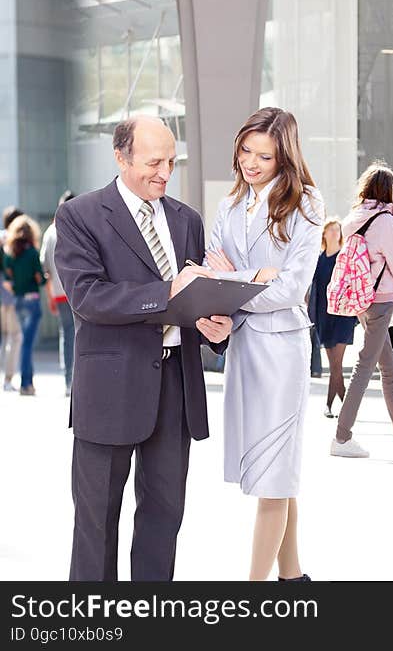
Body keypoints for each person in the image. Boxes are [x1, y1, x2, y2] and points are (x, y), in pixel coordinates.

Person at [55, 116, 232, 581]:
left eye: (172, 161)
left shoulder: (186, 219)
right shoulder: (80, 216)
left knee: (164, 519)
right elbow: (88, 297)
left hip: (175, 388)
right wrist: (168, 291)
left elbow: (194, 300)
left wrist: (215, 327)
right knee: (96, 526)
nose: (165, 172)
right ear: (121, 157)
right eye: (154, 162)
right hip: (110, 390)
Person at [205, 107, 322, 581]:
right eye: (246, 150)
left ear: (284, 158)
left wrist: (234, 282)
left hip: (282, 352)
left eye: (265, 156)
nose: (251, 162)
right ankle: (293, 578)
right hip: (244, 349)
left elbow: (294, 288)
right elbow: (210, 278)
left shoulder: (307, 204)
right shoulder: (228, 205)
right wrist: (254, 278)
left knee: (273, 479)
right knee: (276, 470)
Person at [329, 162, 393, 459]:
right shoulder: (385, 221)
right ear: (387, 191)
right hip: (381, 298)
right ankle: (342, 436)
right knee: (365, 365)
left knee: (389, 370)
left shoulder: (355, 219)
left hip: (363, 300)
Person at [309, 217, 357, 417]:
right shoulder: (319, 260)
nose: (335, 233)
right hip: (324, 317)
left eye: (337, 230)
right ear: (324, 234)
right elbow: (315, 292)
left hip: (343, 317)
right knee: (334, 365)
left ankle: (335, 407)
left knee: (336, 363)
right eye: (331, 230)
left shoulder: (344, 257)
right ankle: (344, 407)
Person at [2, 214, 45, 396]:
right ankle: (26, 383)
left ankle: (29, 382)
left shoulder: (10, 254)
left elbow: (9, 278)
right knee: (27, 344)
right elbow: (40, 278)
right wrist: (40, 279)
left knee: (25, 342)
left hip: (18, 301)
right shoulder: (33, 253)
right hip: (32, 301)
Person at [41, 190, 77, 396]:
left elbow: (45, 268)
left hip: (59, 292)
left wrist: (49, 296)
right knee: (81, 334)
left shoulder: (50, 232)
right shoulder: (79, 229)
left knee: (66, 335)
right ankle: (78, 381)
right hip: (79, 292)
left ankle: (68, 381)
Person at [0, 206, 24, 391]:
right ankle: (7, 379)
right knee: (14, 338)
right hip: (12, 296)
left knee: (6, 337)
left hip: (3, 296)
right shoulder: (13, 240)